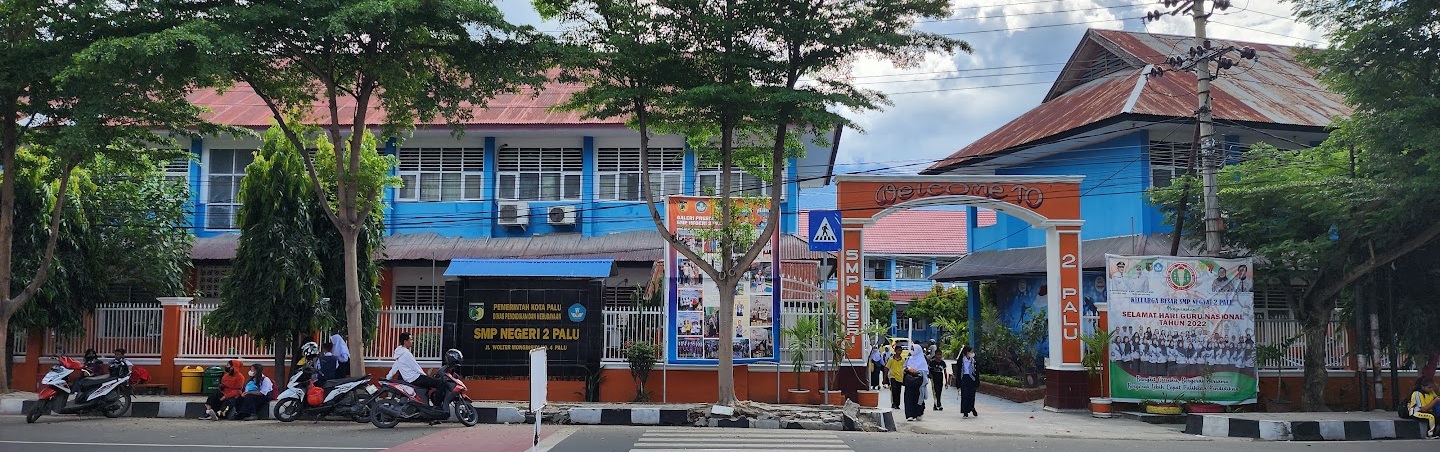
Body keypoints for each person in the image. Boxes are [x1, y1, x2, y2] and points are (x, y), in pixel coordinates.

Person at [387, 332, 445, 408]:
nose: (412, 341)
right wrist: (425, 375)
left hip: (409, 379)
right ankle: (437, 405)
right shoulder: (406, 354)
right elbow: (416, 367)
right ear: (405, 342)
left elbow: (395, 366)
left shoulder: (399, 353)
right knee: (440, 383)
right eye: (410, 340)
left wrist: (388, 377)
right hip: (415, 378)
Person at [902, 343, 929, 421]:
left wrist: (916, 372)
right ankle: (909, 415)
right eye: (912, 349)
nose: (912, 351)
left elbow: (925, 372)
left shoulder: (922, 360)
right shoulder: (909, 359)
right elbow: (904, 368)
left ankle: (918, 413)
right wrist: (908, 369)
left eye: (914, 349)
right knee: (908, 398)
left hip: (918, 382)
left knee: (918, 398)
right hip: (909, 381)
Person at [958, 346, 979, 418]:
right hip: (964, 378)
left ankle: (972, 407)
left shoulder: (973, 361)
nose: (972, 353)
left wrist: (977, 381)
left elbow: (977, 372)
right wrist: (958, 383)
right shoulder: (961, 360)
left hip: (972, 379)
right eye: (971, 352)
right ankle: (965, 412)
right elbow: (958, 372)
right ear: (967, 352)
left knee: (972, 395)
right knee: (964, 396)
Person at [886, 343, 907, 410]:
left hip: (900, 377)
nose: (899, 352)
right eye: (898, 350)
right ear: (895, 351)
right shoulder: (891, 359)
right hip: (892, 376)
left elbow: (904, 368)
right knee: (894, 390)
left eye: (900, 351)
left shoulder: (903, 360)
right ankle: (894, 403)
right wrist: (884, 378)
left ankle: (897, 404)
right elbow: (886, 368)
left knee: (898, 391)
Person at [927, 346, 946, 411]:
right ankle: (937, 404)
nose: (939, 356)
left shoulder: (943, 363)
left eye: (940, 354)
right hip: (934, 378)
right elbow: (928, 370)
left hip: (940, 377)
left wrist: (946, 381)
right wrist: (930, 375)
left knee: (939, 391)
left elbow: (945, 372)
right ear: (935, 355)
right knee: (935, 391)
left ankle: (938, 403)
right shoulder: (932, 362)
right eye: (938, 354)